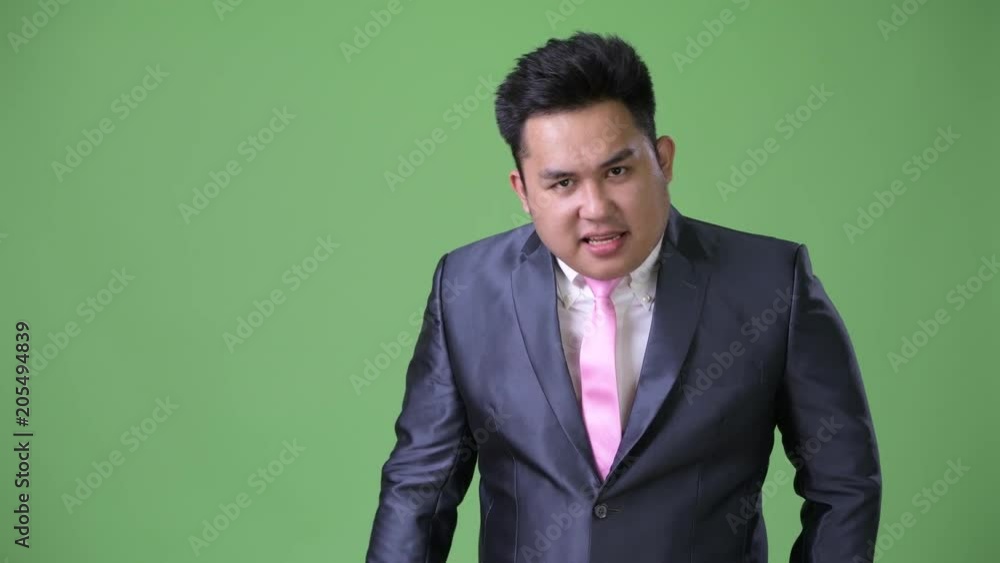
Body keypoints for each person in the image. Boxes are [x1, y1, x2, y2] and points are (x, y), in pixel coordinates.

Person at [365, 31, 881, 563]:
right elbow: (419, 489)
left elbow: (844, 484)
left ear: (663, 160)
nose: (596, 208)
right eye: (562, 183)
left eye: (617, 171)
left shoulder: (771, 284)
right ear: (523, 191)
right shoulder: (465, 290)